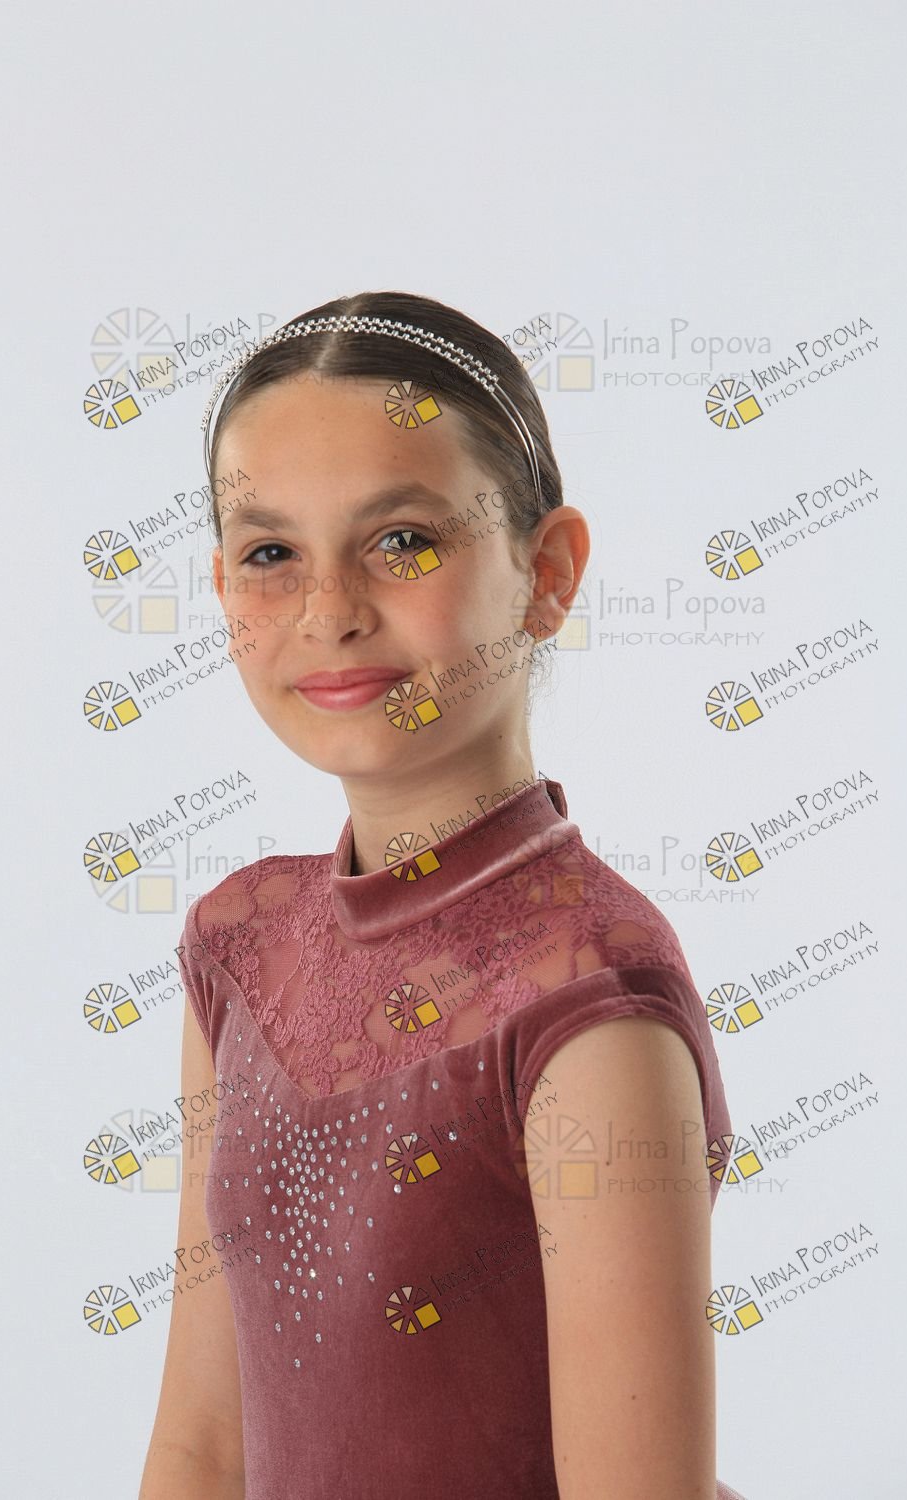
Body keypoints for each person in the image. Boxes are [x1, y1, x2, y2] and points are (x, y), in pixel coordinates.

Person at [139, 289, 748, 1500]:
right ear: (220, 586)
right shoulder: (242, 942)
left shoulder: (585, 996)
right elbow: (204, 1441)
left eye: (404, 540)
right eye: (271, 554)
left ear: (546, 573)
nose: (330, 610)